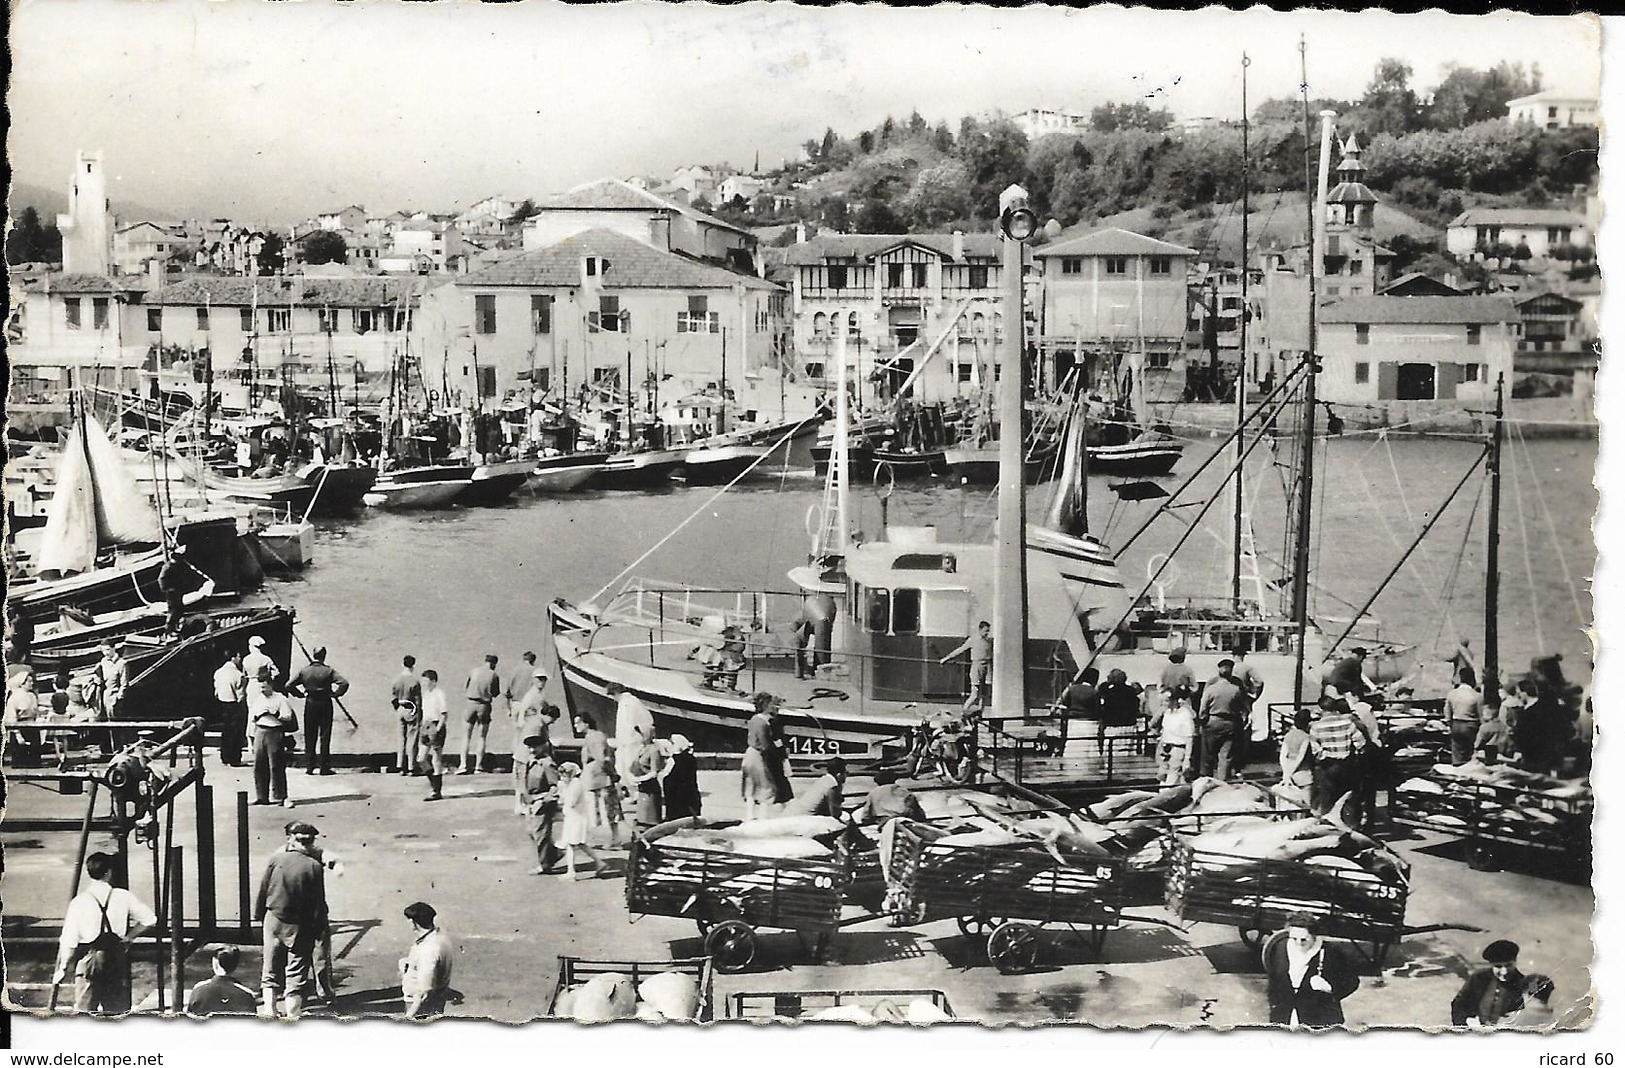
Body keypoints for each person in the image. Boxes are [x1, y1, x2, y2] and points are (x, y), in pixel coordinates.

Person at [53, 852, 158, 1015]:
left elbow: (69, 940)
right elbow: (150, 919)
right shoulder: (123, 896)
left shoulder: (79, 902)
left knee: (84, 1013)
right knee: (116, 1012)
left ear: (89, 873)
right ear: (109, 872)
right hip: (115, 958)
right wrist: (129, 937)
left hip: (89, 960)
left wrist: (63, 967)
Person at [254, 821, 329, 1019]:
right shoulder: (314, 866)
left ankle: (270, 1010)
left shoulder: (277, 858)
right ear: (311, 843)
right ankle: (292, 1014)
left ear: (292, 840)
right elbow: (317, 902)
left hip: (273, 919)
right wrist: (318, 927)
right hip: (300, 925)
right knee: (296, 971)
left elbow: (263, 888)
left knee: (269, 966)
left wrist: (257, 916)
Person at [1260, 912, 1360, 1027]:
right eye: (1294, 938)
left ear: (1314, 936)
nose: (1298, 943)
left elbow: (1352, 981)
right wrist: (1274, 1003)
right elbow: (1274, 979)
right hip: (1284, 1016)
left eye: (1304, 939)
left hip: (1318, 1019)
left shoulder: (1331, 952)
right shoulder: (1280, 948)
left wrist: (1330, 988)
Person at [287, 646, 350, 777]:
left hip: (310, 703)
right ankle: (324, 767)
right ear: (324, 655)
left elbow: (289, 685)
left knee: (310, 735)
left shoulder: (305, 671)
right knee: (325, 736)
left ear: (313, 654)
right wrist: (335, 694)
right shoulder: (329, 671)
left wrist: (299, 695)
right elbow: (344, 683)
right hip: (325, 703)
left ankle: (310, 766)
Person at [1308, 697, 1366, 818]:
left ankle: (1329, 823)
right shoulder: (1347, 723)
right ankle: (1350, 824)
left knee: (1327, 797)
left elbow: (1315, 749)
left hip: (1328, 765)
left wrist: (1324, 756)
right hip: (1346, 764)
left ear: (1321, 709)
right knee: (1347, 796)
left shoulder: (1316, 727)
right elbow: (1360, 742)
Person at [248, 675, 299, 808]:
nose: (262, 690)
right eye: (260, 687)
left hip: (275, 732)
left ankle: (281, 796)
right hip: (260, 731)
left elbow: (287, 717)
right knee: (259, 765)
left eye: (264, 686)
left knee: (276, 765)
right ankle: (261, 796)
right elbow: (252, 718)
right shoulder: (258, 699)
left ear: (271, 685)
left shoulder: (281, 699)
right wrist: (251, 737)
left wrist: (272, 714)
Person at [1451, 939, 1528, 1028]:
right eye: (1498, 966)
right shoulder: (1478, 978)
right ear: (1491, 965)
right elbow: (1458, 1004)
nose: (1504, 972)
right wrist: (1465, 1025)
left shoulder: (1524, 984)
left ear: (1515, 962)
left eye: (1508, 965)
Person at [741, 691, 792, 820]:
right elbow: (765, 746)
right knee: (766, 787)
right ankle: (762, 818)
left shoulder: (753, 719)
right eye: (769, 703)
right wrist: (780, 754)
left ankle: (750, 815)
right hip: (758, 756)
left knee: (750, 786)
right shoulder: (763, 723)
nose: (771, 705)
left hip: (749, 754)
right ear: (764, 704)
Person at [399, 901, 454, 1019]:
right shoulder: (439, 937)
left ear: (413, 923)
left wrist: (408, 1017)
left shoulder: (428, 949)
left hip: (420, 1008)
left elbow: (424, 991)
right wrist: (410, 963)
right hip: (436, 1001)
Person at [519, 732, 562, 874]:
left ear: (543, 746)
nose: (532, 750)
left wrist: (543, 801)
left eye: (535, 747)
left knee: (540, 834)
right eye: (529, 747)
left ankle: (544, 865)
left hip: (541, 803)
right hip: (529, 801)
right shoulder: (529, 761)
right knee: (531, 832)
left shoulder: (547, 764)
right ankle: (554, 854)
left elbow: (555, 787)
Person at [1197, 659, 1248, 780]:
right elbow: (1243, 707)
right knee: (1226, 756)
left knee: (1207, 756)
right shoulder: (1236, 689)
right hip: (1230, 723)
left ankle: (1206, 781)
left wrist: (1203, 722)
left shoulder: (1210, 688)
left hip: (1212, 722)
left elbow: (1203, 709)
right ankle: (1222, 783)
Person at [576, 713, 623, 842]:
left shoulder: (595, 737)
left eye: (578, 723)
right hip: (593, 778)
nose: (575, 726)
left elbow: (601, 759)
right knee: (599, 810)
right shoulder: (591, 736)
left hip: (601, 778)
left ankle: (614, 839)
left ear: (586, 723)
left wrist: (613, 775)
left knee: (607, 810)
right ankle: (609, 838)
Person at [557, 763, 607, 880]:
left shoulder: (575, 784)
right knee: (579, 843)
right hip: (572, 818)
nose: (562, 779)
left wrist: (562, 792)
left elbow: (571, 802)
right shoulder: (572, 784)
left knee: (571, 844)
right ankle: (600, 863)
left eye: (564, 776)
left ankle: (571, 872)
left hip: (577, 818)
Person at [185, 945, 259, 1017]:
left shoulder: (199, 990)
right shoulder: (247, 994)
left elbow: (190, 1020)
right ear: (235, 965)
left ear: (215, 963)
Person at [461, 654, 501, 774]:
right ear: (494, 664)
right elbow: (495, 693)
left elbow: (466, 687)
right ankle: (478, 766)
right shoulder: (493, 675)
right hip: (484, 706)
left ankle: (463, 765)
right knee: (482, 737)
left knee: (466, 736)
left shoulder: (474, 671)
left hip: (470, 703)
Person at [940, 621, 992, 711]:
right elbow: (960, 650)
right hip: (977, 666)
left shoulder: (988, 641)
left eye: (988, 631)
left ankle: (980, 714)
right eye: (985, 631)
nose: (987, 633)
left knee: (984, 695)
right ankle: (964, 712)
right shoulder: (972, 640)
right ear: (980, 630)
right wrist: (947, 658)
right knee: (975, 695)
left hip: (988, 667)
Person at [623, 724, 667, 832]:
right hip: (642, 789)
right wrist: (631, 776)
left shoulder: (653, 750)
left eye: (640, 734)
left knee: (650, 822)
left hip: (650, 790)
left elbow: (654, 773)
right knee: (641, 821)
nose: (637, 737)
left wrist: (638, 779)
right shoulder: (642, 749)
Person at [1154, 684, 1196, 786]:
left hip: (1178, 749)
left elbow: (1189, 738)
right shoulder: (1167, 713)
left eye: (1167, 700)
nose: (1164, 703)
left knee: (1172, 780)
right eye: (1163, 701)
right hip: (1165, 750)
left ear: (1175, 700)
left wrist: (1187, 759)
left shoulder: (1185, 714)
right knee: (1162, 778)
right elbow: (1164, 731)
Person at [213, 651, 249, 766]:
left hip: (223, 703)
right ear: (233, 658)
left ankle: (225, 756)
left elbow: (216, 691)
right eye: (239, 656)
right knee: (237, 732)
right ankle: (234, 758)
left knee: (226, 730)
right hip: (234, 704)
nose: (240, 659)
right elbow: (241, 694)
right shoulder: (238, 674)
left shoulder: (218, 672)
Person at [1096, 668, 1144, 754]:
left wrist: (1109, 682)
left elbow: (1101, 690)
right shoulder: (1131, 691)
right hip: (1129, 726)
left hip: (1113, 727)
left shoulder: (1109, 692)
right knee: (1129, 755)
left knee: (1111, 755)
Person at [417, 670, 448, 801]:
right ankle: (433, 784)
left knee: (436, 758)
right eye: (423, 681)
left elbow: (444, 714)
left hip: (436, 725)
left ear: (434, 682)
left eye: (427, 681)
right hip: (426, 725)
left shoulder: (439, 694)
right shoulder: (425, 695)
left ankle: (437, 790)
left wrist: (438, 729)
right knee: (421, 759)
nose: (424, 684)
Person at [1275, 708, 1315, 809]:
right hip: (1303, 772)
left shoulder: (1288, 735)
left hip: (1288, 768)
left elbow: (1283, 755)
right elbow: (1300, 756)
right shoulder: (1306, 737)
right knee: (1306, 802)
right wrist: (1291, 772)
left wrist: (1286, 773)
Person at [1446, 667, 1485, 766]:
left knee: (1457, 752)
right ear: (1472, 679)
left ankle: (1456, 770)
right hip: (1470, 725)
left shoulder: (1451, 694)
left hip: (1456, 724)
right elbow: (1482, 716)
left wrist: (1450, 725)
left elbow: (1447, 713)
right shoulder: (1477, 696)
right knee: (1471, 752)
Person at [392, 655, 423, 776]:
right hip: (411, 709)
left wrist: (398, 709)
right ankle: (411, 766)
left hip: (400, 709)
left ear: (402, 664)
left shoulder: (396, 680)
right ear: (413, 666)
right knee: (412, 739)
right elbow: (418, 701)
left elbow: (393, 698)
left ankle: (401, 766)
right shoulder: (414, 681)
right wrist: (418, 713)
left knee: (401, 739)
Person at [858, 769, 926, 824]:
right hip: (903, 819)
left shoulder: (873, 793)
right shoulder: (902, 790)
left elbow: (866, 813)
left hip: (884, 821)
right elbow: (914, 806)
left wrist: (866, 820)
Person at [660, 733, 702, 820]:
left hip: (679, 797)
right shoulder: (691, 758)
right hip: (690, 794)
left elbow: (671, 777)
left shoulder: (675, 759)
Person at [157, 544, 189, 633]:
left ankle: (175, 627)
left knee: (179, 609)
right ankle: (169, 630)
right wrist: (166, 589)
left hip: (177, 591)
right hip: (171, 592)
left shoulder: (177, 566)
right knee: (173, 610)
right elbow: (161, 579)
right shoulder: (168, 566)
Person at [94, 642, 127, 718]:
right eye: (103, 650)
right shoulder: (103, 661)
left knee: (116, 721)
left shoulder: (122, 663)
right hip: (106, 696)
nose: (105, 653)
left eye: (107, 650)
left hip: (115, 696)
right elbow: (101, 678)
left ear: (114, 648)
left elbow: (124, 683)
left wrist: (118, 697)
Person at [792, 614, 816, 680]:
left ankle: (799, 674)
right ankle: (799, 674)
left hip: (799, 639)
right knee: (799, 658)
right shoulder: (804, 621)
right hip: (799, 640)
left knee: (799, 658)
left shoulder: (801, 621)